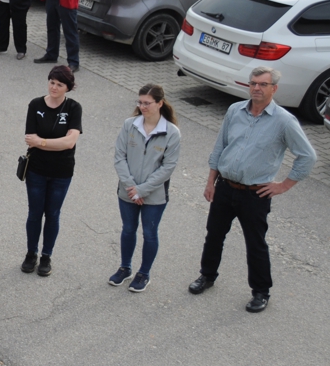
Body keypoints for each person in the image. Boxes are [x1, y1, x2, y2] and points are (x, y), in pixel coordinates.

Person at [189, 67, 316, 312]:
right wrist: (210, 181)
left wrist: (284, 185)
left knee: (255, 244)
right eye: (253, 83)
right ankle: (207, 275)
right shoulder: (234, 111)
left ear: (274, 88)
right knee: (214, 235)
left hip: (255, 194)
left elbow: (307, 156)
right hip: (225, 187)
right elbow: (220, 147)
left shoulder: (284, 121)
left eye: (263, 84)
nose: (256, 88)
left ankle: (261, 292)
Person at [109, 84, 182, 293]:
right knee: (128, 229)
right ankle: (125, 268)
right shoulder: (129, 125)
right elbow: (119, 157)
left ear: (160, 103)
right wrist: (131, 187)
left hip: (154, 196)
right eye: (140, 102)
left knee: (149, 233)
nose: (142, 107)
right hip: (127, 191)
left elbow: (168, 167)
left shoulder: (172, 133)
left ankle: (144, 273)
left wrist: (142, 190)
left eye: (147, 103)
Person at [22, 65, 82, 277]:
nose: (54, 87)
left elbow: (70, 142)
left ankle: (46, 256)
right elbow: (30, 139)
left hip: (61, 172)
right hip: (36, 170)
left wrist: (42, 142)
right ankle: (31, 253)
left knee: (53, 214)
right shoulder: (35, 104)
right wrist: (51, 142)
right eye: (52, 82)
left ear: (68, 87)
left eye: (60, 84)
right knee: (34, 213)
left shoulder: (74, 108)